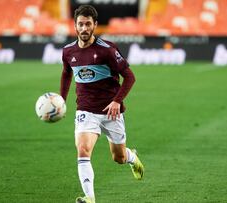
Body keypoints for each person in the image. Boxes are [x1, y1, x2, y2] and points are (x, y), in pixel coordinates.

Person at [60, 5, 144, 203]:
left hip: (111, 112)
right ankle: (89, 198)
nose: (84, 28)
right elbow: (66, 73)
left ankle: (132, 158)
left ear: (95, 25)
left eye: (88, 24)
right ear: (75, 26)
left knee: (119, 158)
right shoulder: (68, 51)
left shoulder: (108, 50)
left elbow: (130, 77)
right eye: (80, 24)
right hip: (86, 110)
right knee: (83, 149)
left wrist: (117, 101)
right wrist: (62, 100)